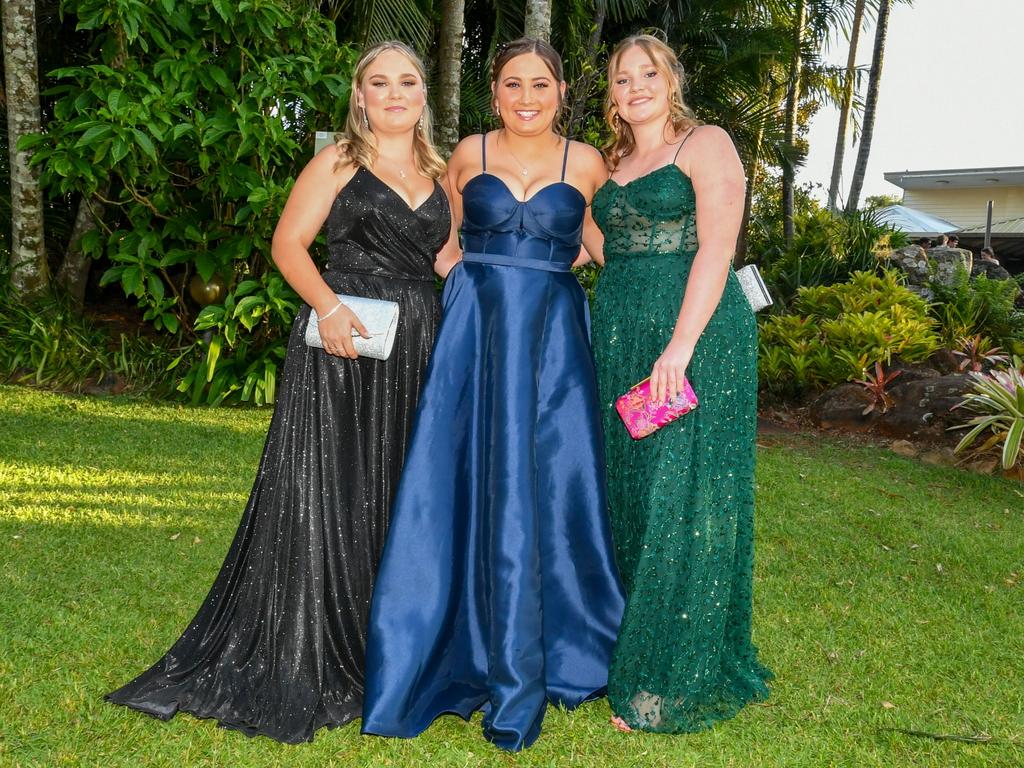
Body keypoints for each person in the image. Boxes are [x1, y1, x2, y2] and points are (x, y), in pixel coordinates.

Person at [106, 41, 456, 743]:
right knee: (329, 489)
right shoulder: (337, 162)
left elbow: (447, 259)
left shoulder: (442, 173)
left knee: (398, 489)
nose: (394, 93)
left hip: (420, 346)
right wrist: (328, 308)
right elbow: (288, 244)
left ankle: (384, 650)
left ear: (424, 95)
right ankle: (309, 650)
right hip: (342, 341)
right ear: (359, 97)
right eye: (378, 83)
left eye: (407, 82)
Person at [361, 38, 625, 752]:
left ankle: (555, 649)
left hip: (551, 339)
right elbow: (442, 241)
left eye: (541, 84)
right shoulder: (467, 154)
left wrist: (691, 291)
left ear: (563, 91)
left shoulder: (589, 163)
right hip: (475, 332)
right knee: (465, 480)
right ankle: (460, 648)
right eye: (514, 84)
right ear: (495, 91)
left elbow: (605, 249)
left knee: (547, 481)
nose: (527, 97)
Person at [585, 34, 772, 733]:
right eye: (622, 77)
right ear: (611, 93)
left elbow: (718, 244)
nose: (635, 86)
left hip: (694, 338)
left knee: (681, 495)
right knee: (630, 491)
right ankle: (632, 637)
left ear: (672, 81)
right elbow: (598, 247)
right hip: (624, 335)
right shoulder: (609, 163)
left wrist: (681, 345)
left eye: (648, 73)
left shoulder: (705, 143)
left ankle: (670, 674)